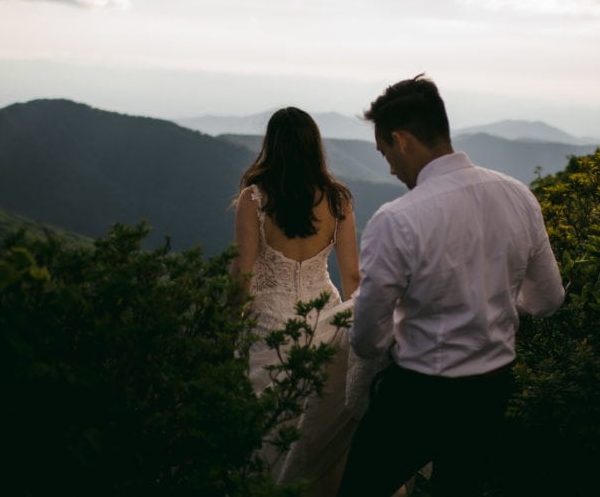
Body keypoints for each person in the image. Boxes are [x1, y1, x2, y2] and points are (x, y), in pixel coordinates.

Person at [337, 75, 566, 497]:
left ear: (402, 141)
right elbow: (549, 298)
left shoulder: (397, 218)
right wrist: (490, 300)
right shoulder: (518, 195)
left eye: (384, 150)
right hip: (493, 387)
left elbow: (368, 337)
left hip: (420, 394)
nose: (388, 165)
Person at [231, 106, 362, 495]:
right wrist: (359, 336)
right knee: (320, 410)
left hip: (269, 318)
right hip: (325, 312)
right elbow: (353, 275)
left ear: (271, 146)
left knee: (271, 418)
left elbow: (243, 274)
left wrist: (227, 325)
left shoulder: (254, 198)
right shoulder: (338, 200)